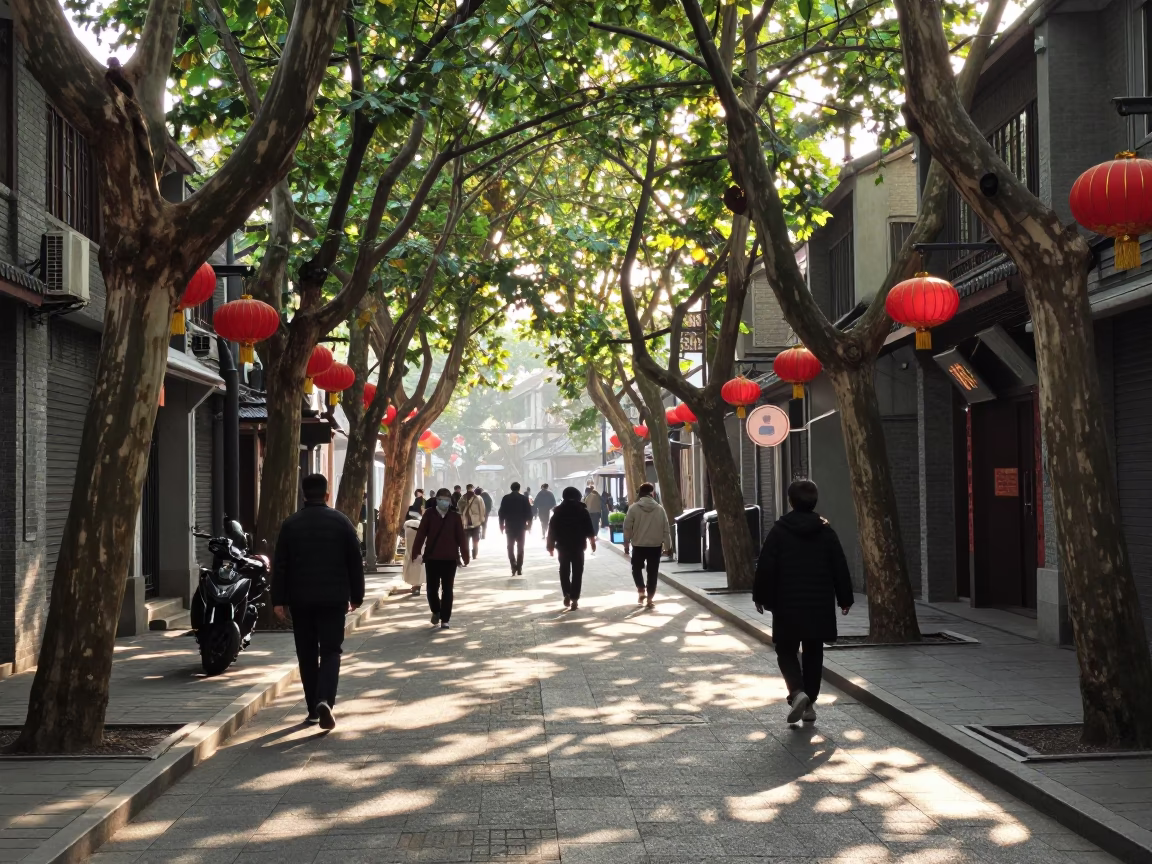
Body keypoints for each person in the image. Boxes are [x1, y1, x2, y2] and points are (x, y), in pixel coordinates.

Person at [753, 479, 853, 725]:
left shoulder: (779, 530)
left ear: (791, 501)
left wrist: (760, 596)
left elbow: (766, 566)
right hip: (818, 605)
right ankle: (809, 702)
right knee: (813, 653)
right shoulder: (826, 531)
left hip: (787, 603)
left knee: (786, 650)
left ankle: (797, 692)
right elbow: (839, 566)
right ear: (815, 501)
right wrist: (845, 598)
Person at [271, 473, 364, 730]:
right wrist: (356, 596)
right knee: (331, 650)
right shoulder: (341, 522)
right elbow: (355, 562)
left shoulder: (290, 524)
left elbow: (280, 565)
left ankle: (313, 709)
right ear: (327, 494)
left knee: (307, 654)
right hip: (334, 599)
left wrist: (278, 600)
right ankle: (325, 699)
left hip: (301, 600)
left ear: (303, 494)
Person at [411, 487, 470, 630]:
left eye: (447, 500)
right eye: (442, 499)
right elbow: (420, 535)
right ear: (436, 500)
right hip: (432, 558)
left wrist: (465, 555)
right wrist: (416, 553)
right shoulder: (429, 515)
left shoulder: (455, 517)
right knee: (431, 589)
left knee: (447, 589)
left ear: (450, 502)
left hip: (450, 559)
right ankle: (436, 610)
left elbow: (461, 538)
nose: (444, 502)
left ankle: (445, 619)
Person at [546, 487, 597, 610]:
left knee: (564, 570)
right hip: (578, 545)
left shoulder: (558, 511)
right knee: (577, 571)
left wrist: (550, 546)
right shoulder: (582, 510)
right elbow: (589, 527)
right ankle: (574, 599)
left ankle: (567, 593)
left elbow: (552, 530)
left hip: (562, 546)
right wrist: (592, 541)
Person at [623, 483, 671, 609]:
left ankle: (640, 589)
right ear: (652, 494)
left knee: (636, 568)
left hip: (638, 545)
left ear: (640, 494)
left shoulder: (633, 508)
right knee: (653, 572)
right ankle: (650, 599)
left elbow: (627, 527)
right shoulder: (660, 509)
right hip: (655, 546)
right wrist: (668, 546)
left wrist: (626, 542)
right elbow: (666, 529)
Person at [498, 482, 534, 576]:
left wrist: (501, 525)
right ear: (519, 488)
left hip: (509, 526)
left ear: (511, 488)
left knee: (510, 547)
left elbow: (501, 513)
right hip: (521, 527)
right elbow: (529, 513)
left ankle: (513, 565)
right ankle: (519, 567)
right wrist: (529, 525)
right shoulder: (524, 498)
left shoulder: (506, 498)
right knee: (520, 548)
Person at [459, 483, 487, 560]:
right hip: (471, 523)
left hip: (471, 523)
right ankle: (471, 554)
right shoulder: (466, 498)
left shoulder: (475, 498)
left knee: (471, 540)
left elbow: (482, 509)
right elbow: (482, 509)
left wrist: (481, 519)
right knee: (471, 540)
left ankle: (471, 554)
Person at [401, 504, 424, 595]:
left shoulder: (408, 518)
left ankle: (415, 585)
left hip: (409, 532)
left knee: (410, 556)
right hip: (419, 533)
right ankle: (417, 585)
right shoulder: (420, 518)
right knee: (419, 558)